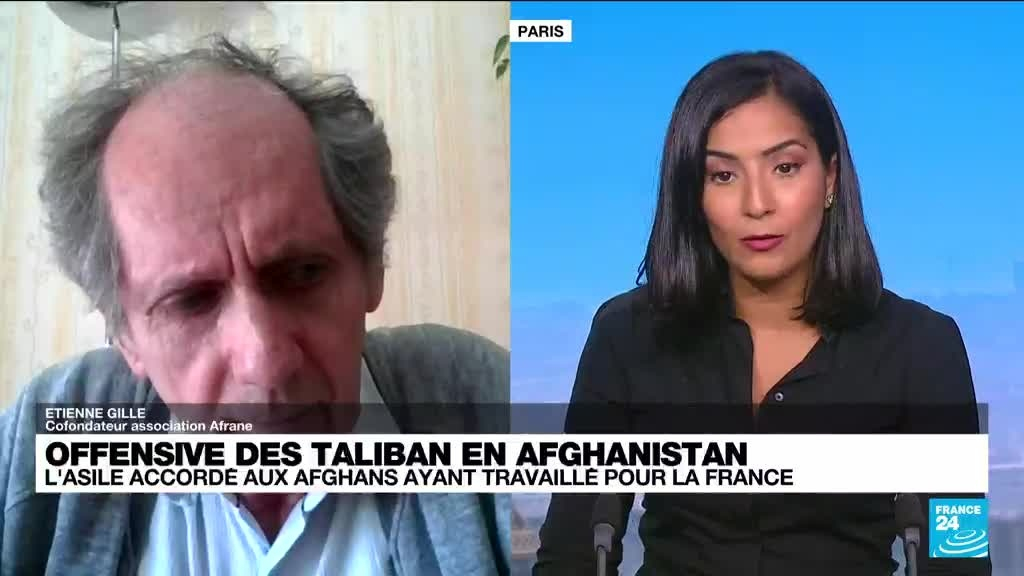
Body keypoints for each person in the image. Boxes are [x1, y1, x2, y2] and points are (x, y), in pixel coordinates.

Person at [0, 36, 510, 575]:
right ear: (125, 334)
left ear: (369, 268)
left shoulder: (480, 402)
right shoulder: (53, 430)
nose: (265, 362)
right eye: (191, 301)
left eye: (303, 273)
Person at [533, 51, 989, 575]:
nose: (757, 203)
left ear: (831, 178)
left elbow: (962, 558)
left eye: (785, 168)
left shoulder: (924, 346)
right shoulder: (626, 336)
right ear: (693, 194)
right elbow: (569, 552)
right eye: (723, 175)